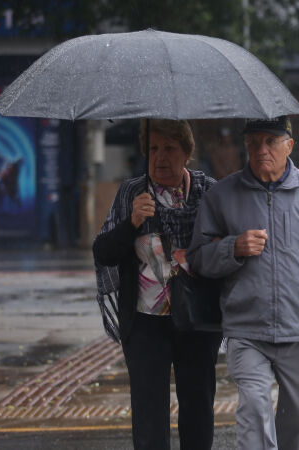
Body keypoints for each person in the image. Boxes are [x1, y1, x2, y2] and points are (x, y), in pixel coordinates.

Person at [187, 116, 299, 449]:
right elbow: (198, 257)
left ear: (289, 145)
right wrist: (234, 247)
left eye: (270, 142)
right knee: (254, 406)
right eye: (253, 142)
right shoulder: (223, 195)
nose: (261, 150)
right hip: (246, 329)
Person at [92, 119, 222, 449]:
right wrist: (132, 221)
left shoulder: (210, 193)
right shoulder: (132, 193)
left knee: (198, 409)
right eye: (153, 149)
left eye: (169, 148)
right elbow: (103, 252)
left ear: (187, 152)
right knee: (149, 418)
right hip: (145, 325)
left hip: (198, 320)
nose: (160, 157)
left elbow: (225, 251)